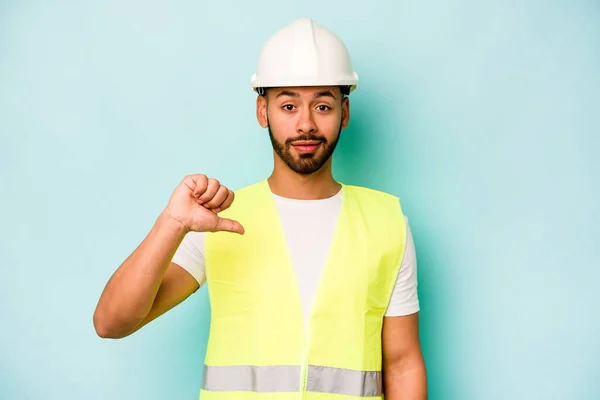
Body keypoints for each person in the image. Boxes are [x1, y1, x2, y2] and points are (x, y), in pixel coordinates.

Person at [93, 17, 427, 399]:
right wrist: (170, 224)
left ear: (344, 114)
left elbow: (402, 363)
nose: (305, 124)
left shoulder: (387, 224)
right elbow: (111, 322)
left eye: (322, 105)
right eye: (288, 105)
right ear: (262, 111)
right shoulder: (216, 220)